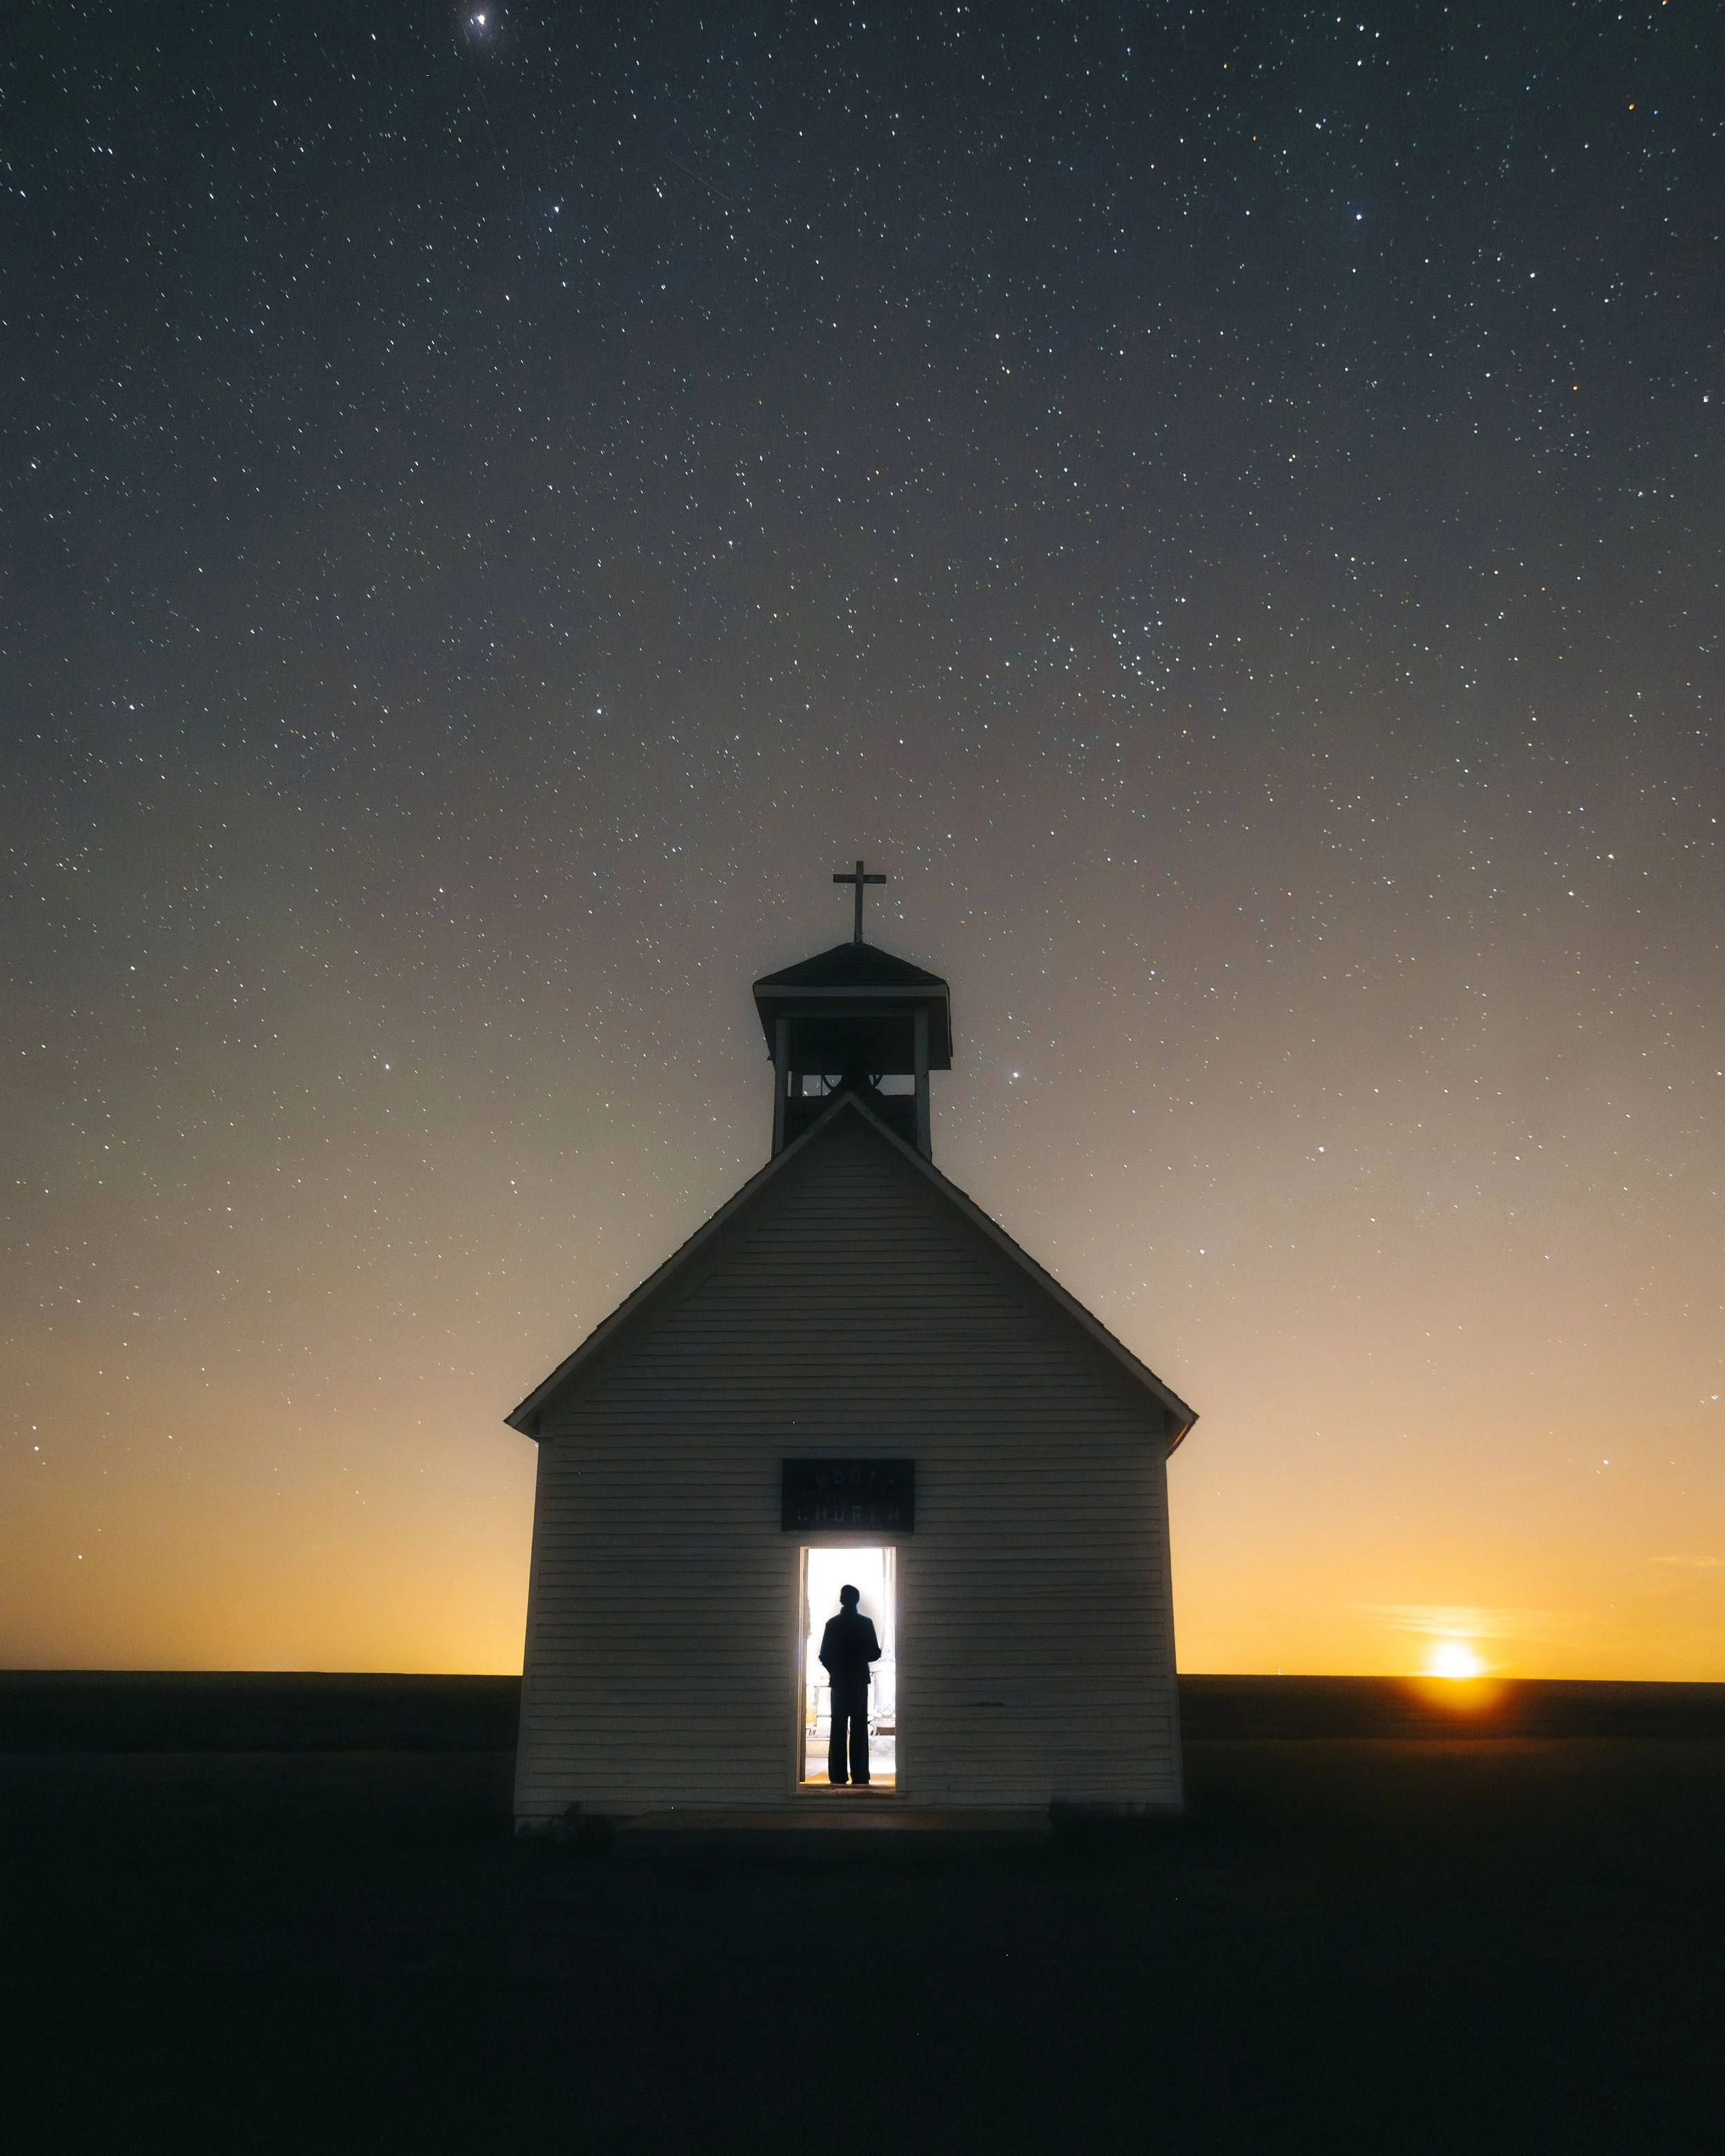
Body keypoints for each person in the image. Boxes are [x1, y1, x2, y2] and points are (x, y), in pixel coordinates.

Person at [818, 1585, 881, 1786]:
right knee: (859, 1728)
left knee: (838, 1727)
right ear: (857, 1600)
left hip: (838, 1681)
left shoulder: (832, 1624)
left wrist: (835, 1670)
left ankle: (837, 1775)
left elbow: (824, 1655)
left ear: (841, 1600)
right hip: (859, 1681)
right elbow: (874, 1653)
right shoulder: (866, 1623)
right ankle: (860, 1774)